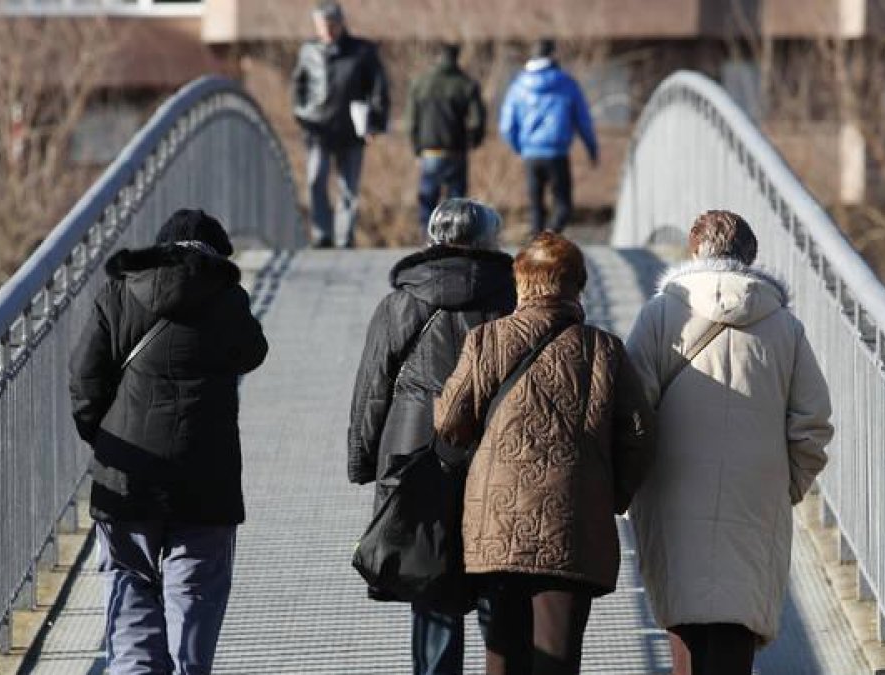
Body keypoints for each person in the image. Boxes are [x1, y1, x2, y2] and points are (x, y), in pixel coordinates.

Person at [434, 233, 655, 675]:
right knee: (558, 657)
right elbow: (640, 432)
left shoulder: (486, 341)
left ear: (522, 283)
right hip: (572, 522)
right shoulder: (603, 348)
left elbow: (449, 421)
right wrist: (611, 495)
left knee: (502, 653)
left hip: (497, 523)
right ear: (576, 285)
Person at [624, 210, 834, 675]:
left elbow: (631, 408)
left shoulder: (660, 316)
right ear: (751, 257)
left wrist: (634, 479)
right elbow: (813, 423)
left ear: (695, 250)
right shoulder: (785, 328)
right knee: (736, 630)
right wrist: (787, 485)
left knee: (686, 626)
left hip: (672, 488)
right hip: (755, 493)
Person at [69, 209, 268, 675]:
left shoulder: (119, 293)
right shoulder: (228, 299)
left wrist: (101, 438)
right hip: (206, 478)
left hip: (128, 474)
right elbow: (254, 352)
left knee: (129, 583)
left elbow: (84, 378)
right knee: (194, 596)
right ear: (217, 255)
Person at [348, 198, 516, 675]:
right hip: (494, 446)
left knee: (432, 578)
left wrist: (363, 460)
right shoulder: (512, 297)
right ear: (490, 239)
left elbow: (372, 388)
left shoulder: (402, 302)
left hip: (415, 448)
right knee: (494, 575)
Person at [292, 1, 390, 249]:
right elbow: (298, 87)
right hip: (317, 129)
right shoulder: (308, 51)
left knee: (348, 187)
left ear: (340, 24)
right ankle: (322, 234)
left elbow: (379, 89)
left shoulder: (362, 51)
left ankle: (344, 237)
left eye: (329, 26)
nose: (325, 31)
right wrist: (302, 115)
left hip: (351, 129)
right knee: (316, 180)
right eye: (320, 26)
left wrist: (374, 124)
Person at [499, 39, 598, 236]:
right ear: (553, 55)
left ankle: (537, 250)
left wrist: (520, 148)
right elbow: (583, 121)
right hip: (557, 153)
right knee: (563, 207)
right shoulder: (566, 83)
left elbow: (507, 126)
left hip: (531, 155)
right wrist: (591, 148)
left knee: (536, 209)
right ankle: (549, 240)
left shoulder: (518, 86)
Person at [406, 42, 487, 233]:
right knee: (457, 203)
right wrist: (474, 141)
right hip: (457, 149)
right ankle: (456, 239)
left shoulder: (420, 83)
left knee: (428, 198)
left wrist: (416, 148)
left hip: (430, 150)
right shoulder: (466, 83)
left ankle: (427, 237)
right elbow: (478, 119)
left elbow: (411, 121)